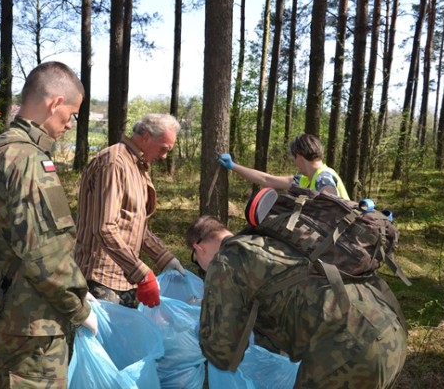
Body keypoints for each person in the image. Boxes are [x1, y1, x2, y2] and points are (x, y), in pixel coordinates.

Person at [0, 61, 97, 388]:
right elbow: (44, 253)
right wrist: (80, 307)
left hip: (8, 311)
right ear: (54, 103)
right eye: (70, 114)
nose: (70, 124)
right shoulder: (29, 160)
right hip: (34, 324)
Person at [186, 215, 407, 388]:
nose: (201, 268)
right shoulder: (270, 240)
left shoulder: (226, 261)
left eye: (197, 263)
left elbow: (222, 353)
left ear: (199, 249)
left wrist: (200, 331)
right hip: (389, 331)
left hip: (348, 351)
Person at [75, 113, 186, 309]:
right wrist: (142, 273)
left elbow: (133, 223)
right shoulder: (114, 163)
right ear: (146, 137)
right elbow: (105, 228)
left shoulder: (137, 165)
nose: (164, 156)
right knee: (104, 339)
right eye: (163, 148)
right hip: (101, 280)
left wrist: (164, 257)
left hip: (125, 276)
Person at [217, 133, 350, 199]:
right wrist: (233, 166)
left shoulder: (323, 178)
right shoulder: (305, 180)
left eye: (294, 157)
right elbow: (266, 180)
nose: (294, 162)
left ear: (299, 156)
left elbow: (333, 210)